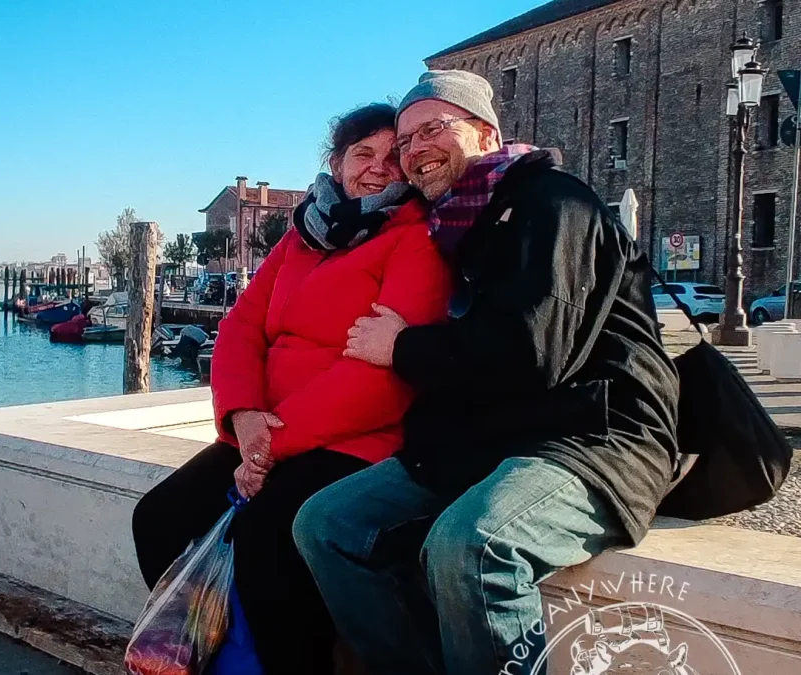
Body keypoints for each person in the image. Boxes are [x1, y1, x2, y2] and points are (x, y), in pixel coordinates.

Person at [293, 70, 680, 674]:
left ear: (485, 132)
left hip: (597, 436)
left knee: (472, 546)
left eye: (432, 129)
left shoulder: (552, 203)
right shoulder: (458, 225)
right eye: (406, 141)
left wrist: (403, 347)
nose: (415, 149)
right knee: (325, 523)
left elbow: (534, 353)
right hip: (497, 436)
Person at [131, 102, 452, 675]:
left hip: (356, 438)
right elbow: (240, 328)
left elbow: (380, 377)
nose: (378, 169)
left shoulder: (416, 240)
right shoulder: (303, 236)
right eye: (362, 154)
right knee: (158, 518)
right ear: (336, 162)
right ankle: (205, 654)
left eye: (391, 157)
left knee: (268, 539)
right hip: (263, 431)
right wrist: (243, 415)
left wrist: (270, 443)